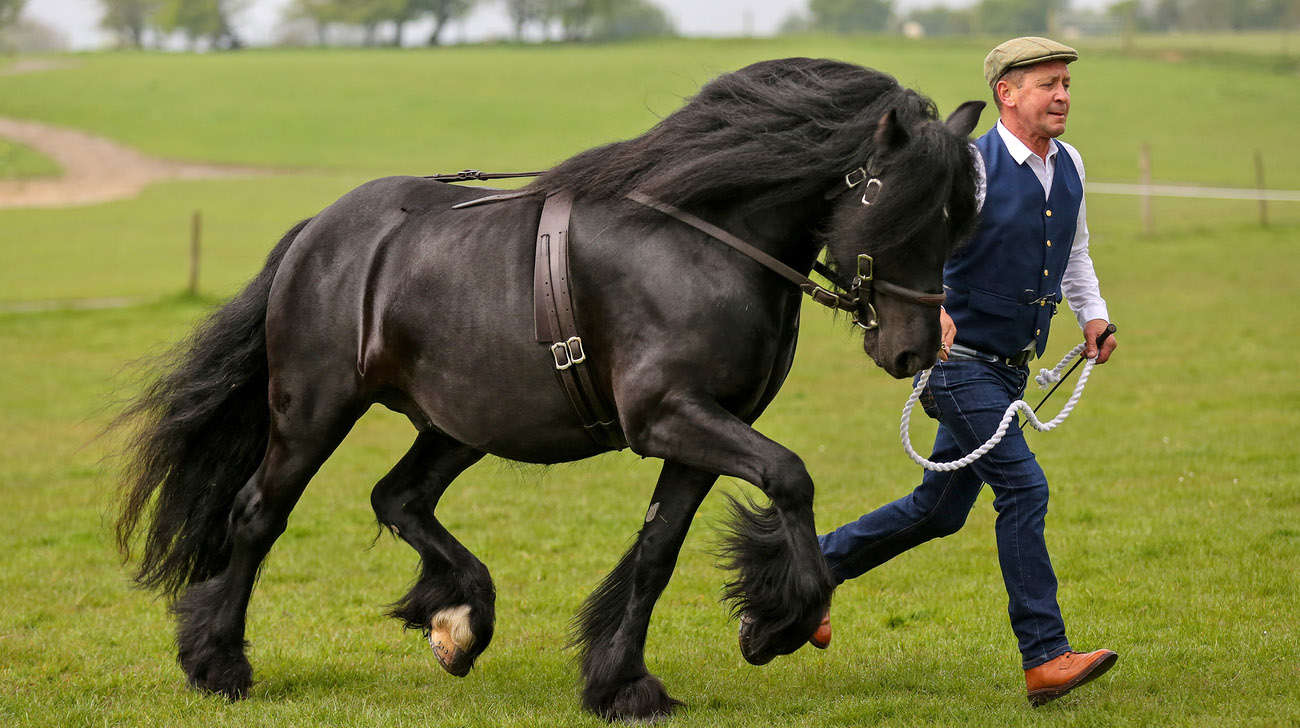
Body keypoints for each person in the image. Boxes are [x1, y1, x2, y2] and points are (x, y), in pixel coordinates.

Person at [814, 37, 1119, 706]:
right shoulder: (971, 168)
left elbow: (1074, 254)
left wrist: (1092, 315)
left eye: (1066, 83)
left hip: (1011, 370)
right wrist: (938, 308)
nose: (1063, 94)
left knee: (938, 512)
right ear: (1007, 94)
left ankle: (806, 568)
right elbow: (911, 242)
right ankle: (1045, 656)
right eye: (1048, 83)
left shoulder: (1070, 164)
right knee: (1025, 489)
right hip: (956, 365)